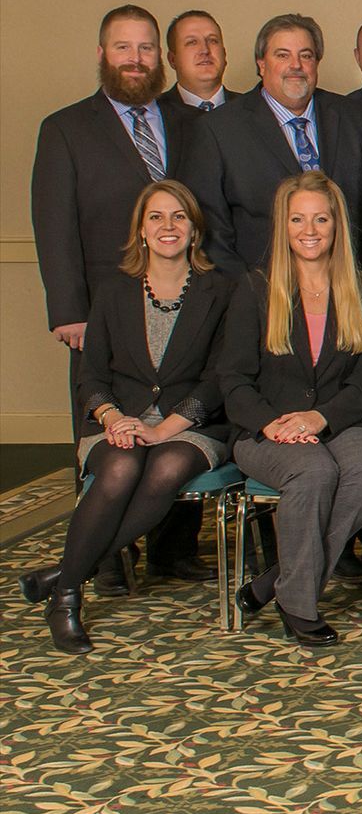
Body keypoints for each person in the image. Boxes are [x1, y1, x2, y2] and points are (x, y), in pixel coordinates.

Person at [33, 5, 211, 590]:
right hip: (103, 314)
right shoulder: (66, 128)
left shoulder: (185, 121)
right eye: (122, 48)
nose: (135, 59)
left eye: (145, 48)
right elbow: (53, 225)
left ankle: (169, 551)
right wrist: (69, 311)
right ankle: (104, 559)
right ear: (102, 54)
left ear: (159, 56)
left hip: (181, 296)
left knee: (176, 418)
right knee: (110, 431)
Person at [17, 181, 235, 654]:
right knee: (119, 466)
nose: (168, 226)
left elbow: (220, 378)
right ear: (140, 231)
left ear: (195, 231)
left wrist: (160, 429)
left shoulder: (222, 290)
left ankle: (63, 578)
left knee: (167, 465)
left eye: (179, 216)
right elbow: (91, 374)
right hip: (117, 421)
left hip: (192, 426)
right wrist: (114, 417)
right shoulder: (114, 291)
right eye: (156, 217)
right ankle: (69, 592)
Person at [219, 172, 362, 647]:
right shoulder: (255, 289)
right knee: (313, 472)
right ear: (283, 225)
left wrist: (321, 418)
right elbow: (232, 381)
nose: (309, 229)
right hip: (265, 430)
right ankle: (298, 603)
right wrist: (272, 424)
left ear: (337, 225)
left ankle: (275, 579)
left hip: (340, 421)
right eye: (297, 219)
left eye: (320, 218)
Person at [180, 13, 362, 277]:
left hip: (350, 290)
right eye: (282, 55)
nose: (295, 65)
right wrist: (252, 297)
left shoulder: (354, 117)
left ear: (317, 62)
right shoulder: (219, 129)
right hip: (262, 294)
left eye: (306, 55)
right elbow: (212, 234)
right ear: (261, 64)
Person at [159, 10, 238, 119]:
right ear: (172, 59)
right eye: (192, 42)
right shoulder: (156, 113)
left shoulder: (254, 109)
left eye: (213, 41)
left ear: (224, 55)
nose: (205, 50)